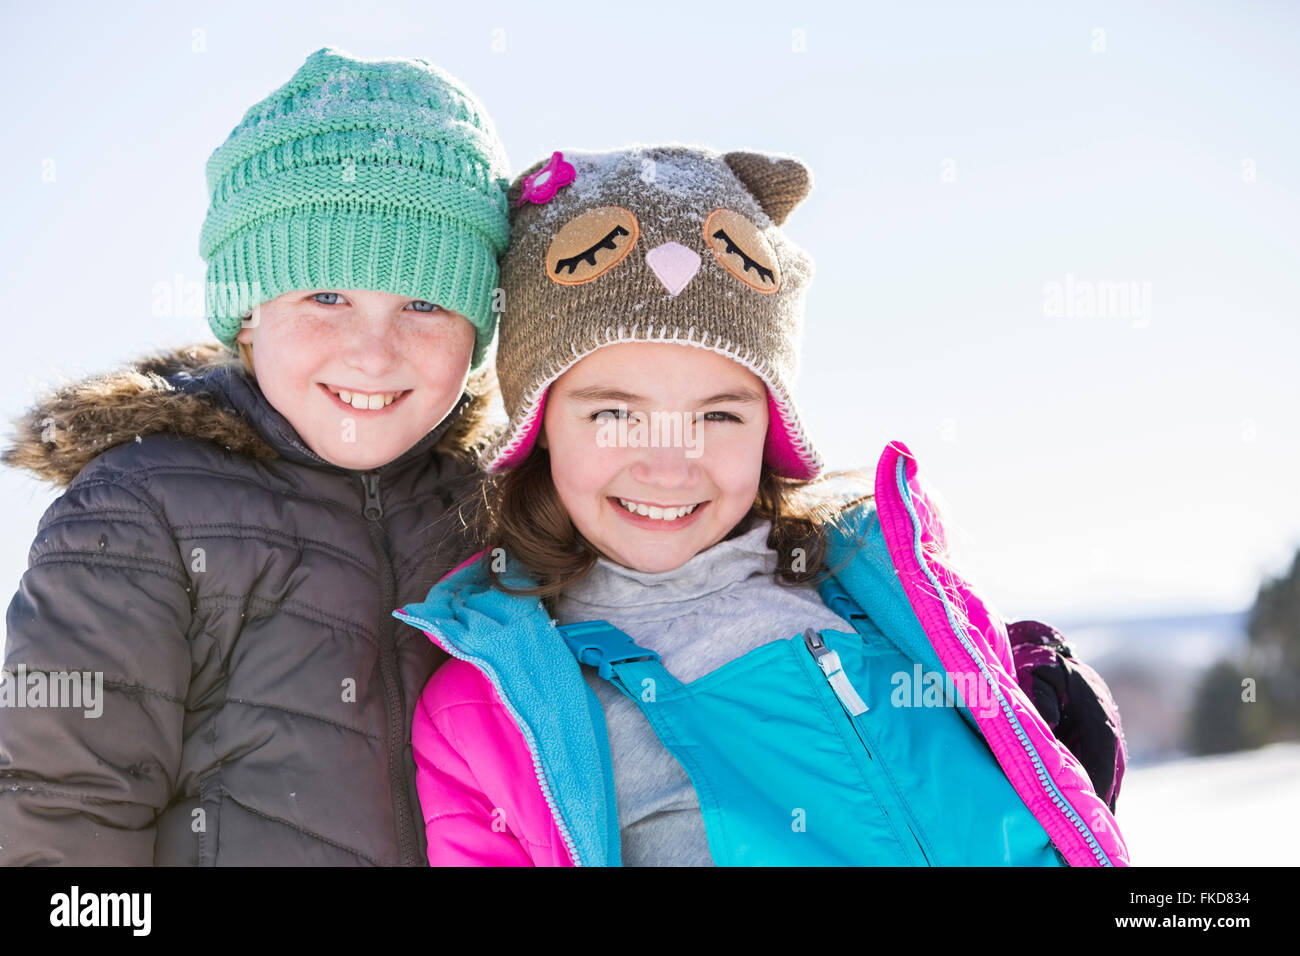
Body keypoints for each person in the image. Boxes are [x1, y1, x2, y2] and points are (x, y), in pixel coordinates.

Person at [394, 144, 1131, 866]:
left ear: (769, 430)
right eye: (614, 414)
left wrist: (1043, 748)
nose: (668, 464)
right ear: (540, 428)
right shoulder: (491, 715)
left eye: (719, 416)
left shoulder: (880, 592)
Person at [0, 46, 510, 865]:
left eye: (423, 301)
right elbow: (61, 816)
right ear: (247, 315)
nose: (374, 354)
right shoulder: (144, 507)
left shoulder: (502, 512)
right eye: (327, 296)